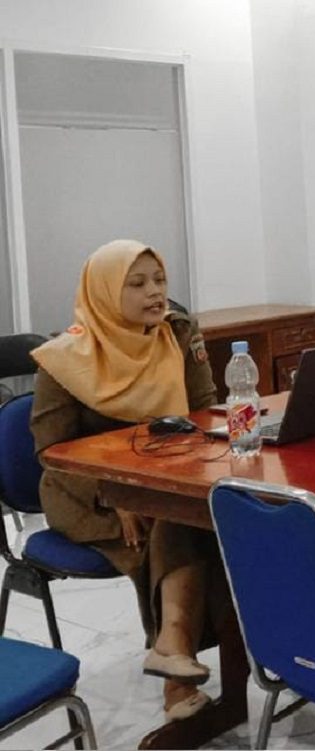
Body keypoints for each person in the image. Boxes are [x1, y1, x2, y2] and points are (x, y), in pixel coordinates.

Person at [30, 240, 224, 721]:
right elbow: (50, 452)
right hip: (84, 492)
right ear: (103, 293)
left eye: (159, 280)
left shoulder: (176, 334)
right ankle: (177, 677)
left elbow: (204, 410)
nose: (154, 292)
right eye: (136, 284)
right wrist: (114, 492)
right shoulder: (65, 358)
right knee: (173, 522)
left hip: (162, 477)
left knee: (210, 516)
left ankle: (178, 649)